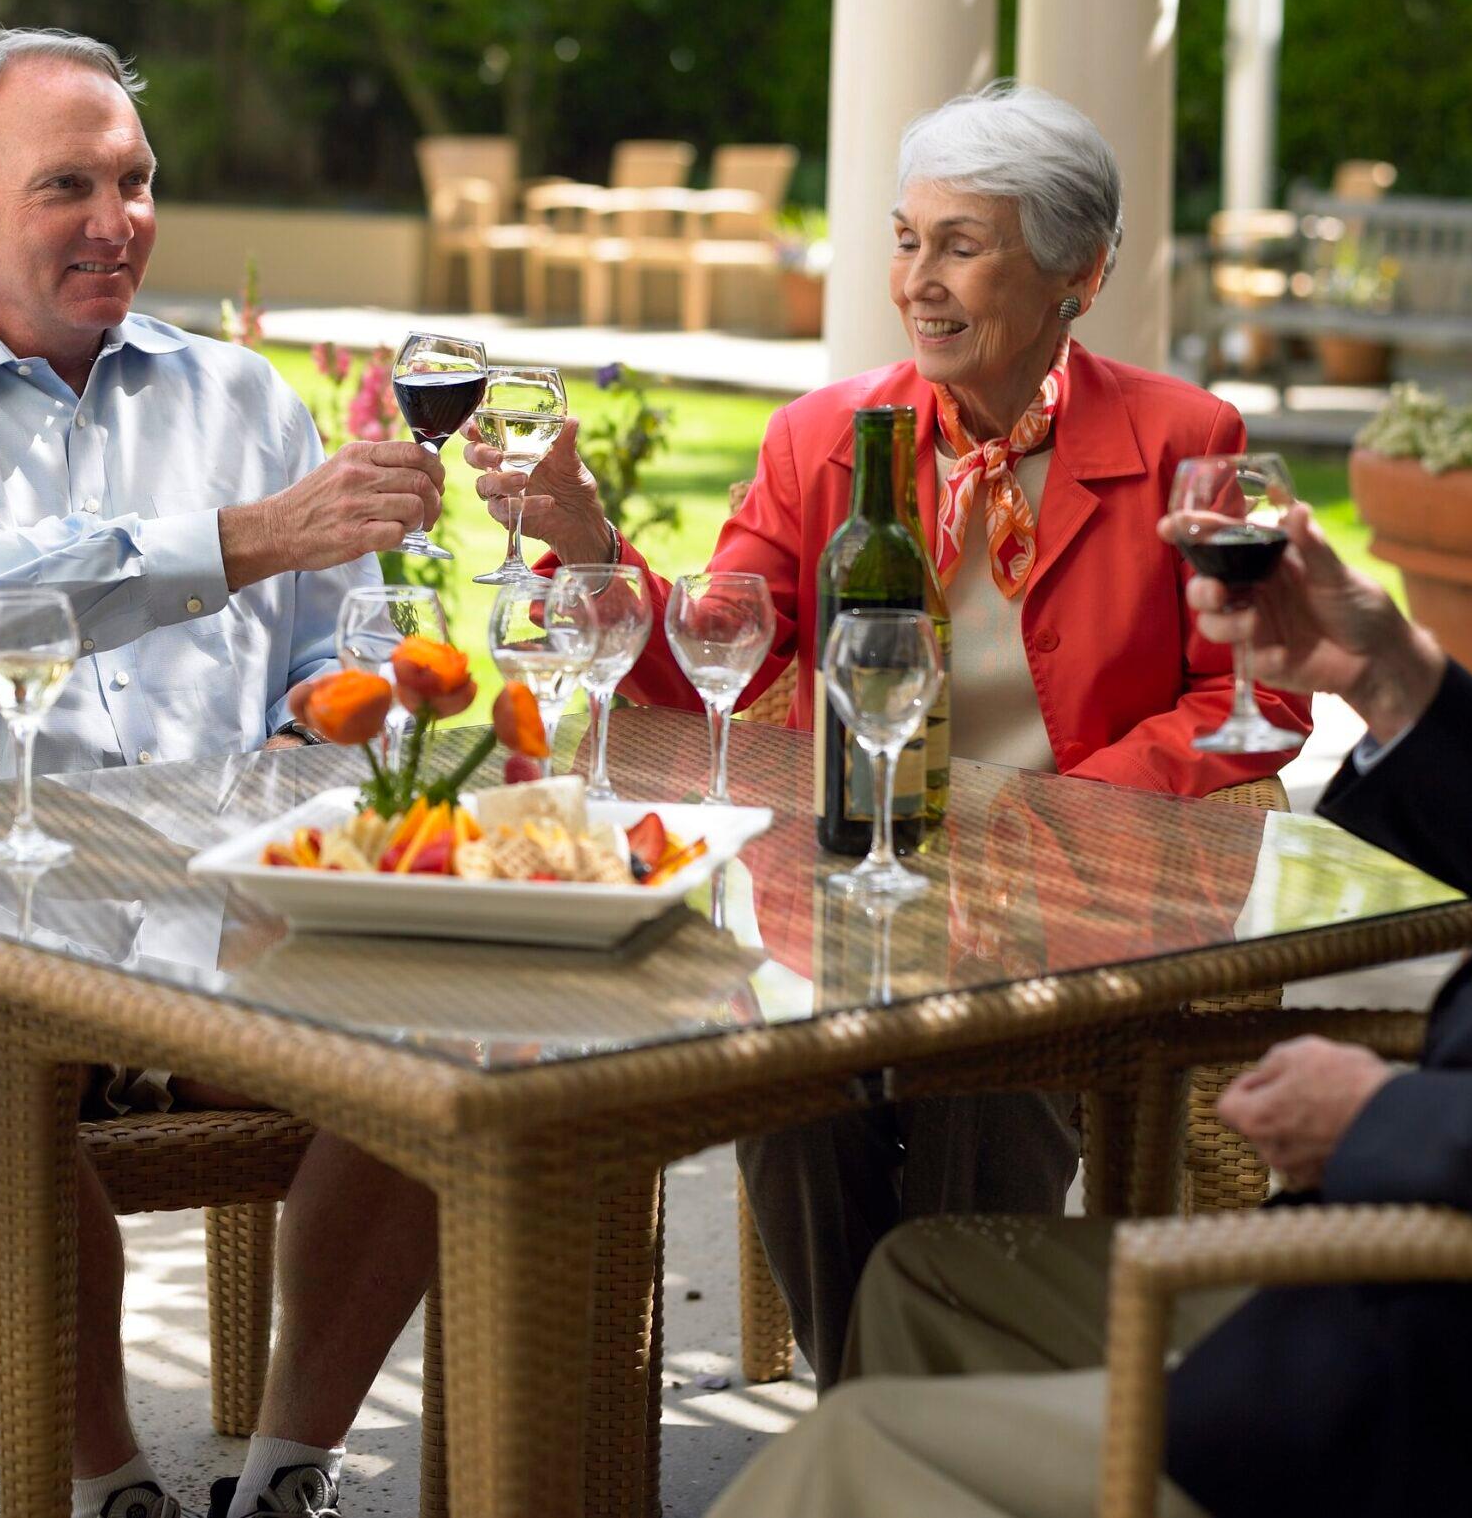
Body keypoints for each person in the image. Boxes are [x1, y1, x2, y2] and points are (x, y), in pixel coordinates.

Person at [468, 85, 1312, 1386]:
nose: (918, 280)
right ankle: (901, 1412)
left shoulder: (1181, 442)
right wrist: (584, 537)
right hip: (852, 883)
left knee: (986, 1078)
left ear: (1078, 274)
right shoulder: (826, 436)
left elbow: (1254, 700)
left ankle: (882, 1421)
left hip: (1078, 897)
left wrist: (1060, 810)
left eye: (961, 245)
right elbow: (709, 652)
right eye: (906, 239)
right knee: (780, 1085)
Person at [0, 29, 443, 1518]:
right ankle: (107, 1483)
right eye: (65, 184)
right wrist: (246, 538)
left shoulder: (239, 398)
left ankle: (286, 1473)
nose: (114, 220)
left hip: (214, 905)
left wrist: (330, 716)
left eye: (135, 182)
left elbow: (352, 654)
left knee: (445, 1000)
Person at [711, 501, 1472, 1518]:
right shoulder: (821, 439)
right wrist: (1390, 670)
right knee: (922, 1272)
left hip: (1436, 1361)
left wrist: (1379, 1121)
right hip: (1387, 1270)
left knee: (850, 1446)